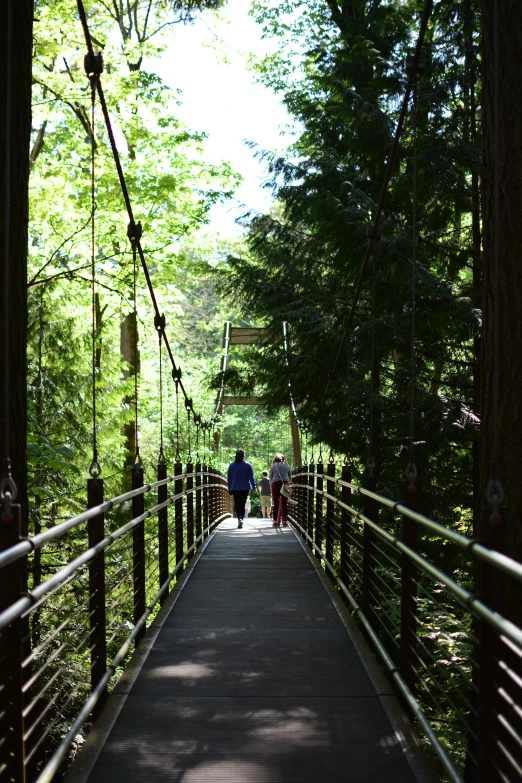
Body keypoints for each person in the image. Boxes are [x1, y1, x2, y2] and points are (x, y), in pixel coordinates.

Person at [227, 449, 256, 529]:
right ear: (243, 456)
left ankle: (239, 518)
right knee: (242, 504)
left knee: (237, 503)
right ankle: (241, 519)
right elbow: (251, 478)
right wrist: (254, 487)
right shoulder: (248, 465)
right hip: (245, 488)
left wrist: (229, 488)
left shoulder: (232, 465)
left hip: (235, 487)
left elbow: (229, 478)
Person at [269, 453, 291, 527]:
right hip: (285, 484)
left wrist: (271, 486)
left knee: (276, 503)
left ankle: (275, 521)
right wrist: (288, 484)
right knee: (284, 503)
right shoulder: (287, 465)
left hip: (275, 484)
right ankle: (285, 521)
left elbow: (271, 477)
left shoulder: (273, 466)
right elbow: (290, 476)